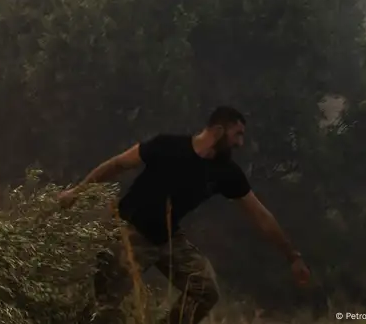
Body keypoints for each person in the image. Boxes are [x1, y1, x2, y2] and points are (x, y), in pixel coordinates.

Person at [57, 106, 310, 323]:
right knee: (103, 310)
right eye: (237, 135)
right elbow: (117, 164)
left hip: (169, 239)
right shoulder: (166, 145)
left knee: (205, 291)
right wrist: (76, 192)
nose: (240, 143)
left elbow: (260, 216)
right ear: (219, 131)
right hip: (127, 232)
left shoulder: (226, 172)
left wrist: (292, 256)